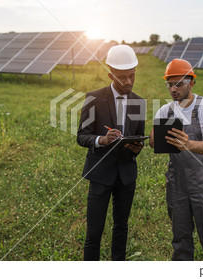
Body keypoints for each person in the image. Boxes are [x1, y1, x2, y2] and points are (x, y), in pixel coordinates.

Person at [149, 58, 203, 261]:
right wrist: (152, 135)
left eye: (179, 83)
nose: (173, 89)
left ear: (191, 82)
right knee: (181, 242)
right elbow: (152, 141)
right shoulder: (164, 111)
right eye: (169, 84)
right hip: (176, 182)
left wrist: (189, 144)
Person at [77, 45, 146, 261]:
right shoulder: (93, 99)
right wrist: (102, 140)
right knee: (94, 232)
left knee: (121, 228)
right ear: (110, 75)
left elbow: (139, 137)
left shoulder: (139, 102)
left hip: (126, 176)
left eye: (132, 76)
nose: (128, 82)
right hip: (100, 174)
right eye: (122, 77)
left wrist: (137, 148)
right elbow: (82, 136)